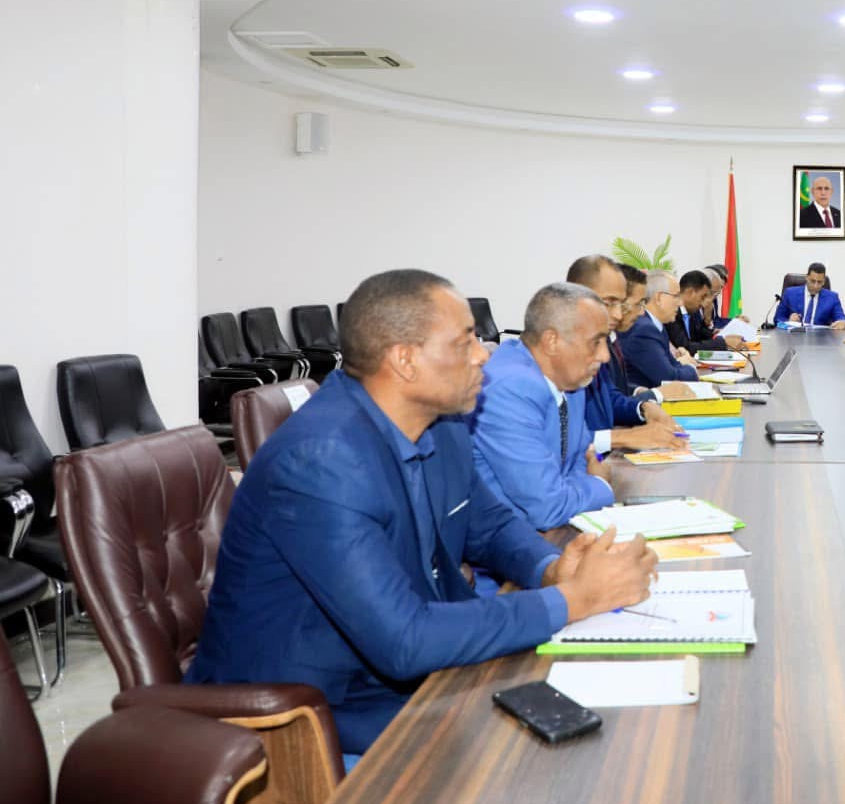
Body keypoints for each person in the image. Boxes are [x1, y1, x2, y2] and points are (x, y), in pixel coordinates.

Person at [186, 269, 657, 755]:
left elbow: (488, 524)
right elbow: (405, 640)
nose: (483, 354)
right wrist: (572, 600)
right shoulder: (322, 460)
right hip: (308, 716)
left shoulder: (443, 423)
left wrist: (552, 568)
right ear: (405, 361)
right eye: (464, 342)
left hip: (411, 679)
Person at [470, 283, 619, 530]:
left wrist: (572, 487)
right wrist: (600, 485)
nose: (605, 356)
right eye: (596, 342)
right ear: (551, 341)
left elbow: (581, 459)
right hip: (507, 544)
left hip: (554, 530)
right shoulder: (509, 388)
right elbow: (547, 507)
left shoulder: (571, 380)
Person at [565, 255, 687, 454]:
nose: (618, 314)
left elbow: (610, 398)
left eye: (621, 304)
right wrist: (624, 438)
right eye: (610, 302)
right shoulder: (564, 354)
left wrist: (643, 408)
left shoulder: (599, 342)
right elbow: (559, 441)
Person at [618, 269, 703, 388]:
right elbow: (669, 378)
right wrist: (691, 368)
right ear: (658, 298)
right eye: (676, 296)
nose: (680, 303)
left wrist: (684, 366)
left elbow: (672, 365)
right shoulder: (644, 329)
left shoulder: (656, 325)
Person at [668, 270, 745, 352]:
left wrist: (715, 334)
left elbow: (699, 333)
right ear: (690, 292)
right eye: (703, 297)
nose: (704, 303)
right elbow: (685, 347)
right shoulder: (671, 313)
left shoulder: (691, 311)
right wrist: (724, 343)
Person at [779, 262, 845, 328]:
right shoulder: (790, 293)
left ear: (824, 281)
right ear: (807, 278)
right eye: (812, 281)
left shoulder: (832, 298)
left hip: (820, 336)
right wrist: (788, 321)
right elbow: (778, 318)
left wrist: (843, 323)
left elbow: (841, 318)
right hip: (795, 335)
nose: (816, 286)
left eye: (819, 282)